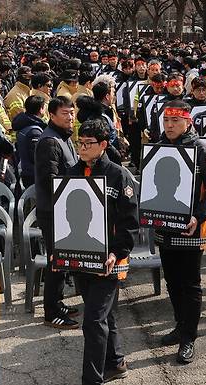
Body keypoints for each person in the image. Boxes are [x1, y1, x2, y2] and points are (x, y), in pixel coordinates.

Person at [65, 119, 137, 384]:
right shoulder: (71, 173)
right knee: (106, 314)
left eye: (88, 144)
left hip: (109, 261)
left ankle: (92, 378)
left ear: (104, 145)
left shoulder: (119, 175)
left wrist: (117, 253)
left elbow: (130, 221)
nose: (82, 148)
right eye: (79, 143)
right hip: (80, 258)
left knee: (93, 320)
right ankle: (116, 362)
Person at [154, 100, 206, 363]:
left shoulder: (202, 150)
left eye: (175, 121)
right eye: (166, 121)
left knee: (190, 284)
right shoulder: (157, 150)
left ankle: (189, 338)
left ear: (188, 121)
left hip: (191, 230)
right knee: (172, 282)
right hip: (165, 228)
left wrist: (199, 215)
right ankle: (180, 325)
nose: (170, 126)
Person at [35, 96, 80, 329]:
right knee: (56, 261)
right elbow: (49, 180)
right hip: (53, 211)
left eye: (72, 112)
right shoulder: (50, 141)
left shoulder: (63, 137)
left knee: (63, 261)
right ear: (51, 115)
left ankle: (58, 301)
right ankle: (51, 312)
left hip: (62, 208)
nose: (70, 117)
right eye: (65, 113)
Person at [13, 95, 47, 188]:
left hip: (27, 172)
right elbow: (37, 156)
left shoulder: (24, 125)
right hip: (34, 175)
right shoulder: (34, 131)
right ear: (41, 109)